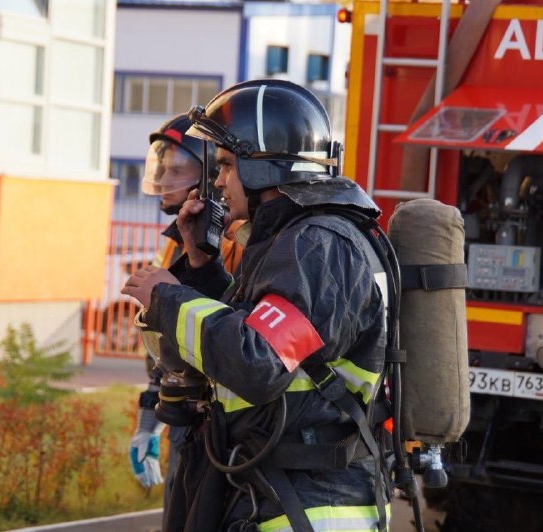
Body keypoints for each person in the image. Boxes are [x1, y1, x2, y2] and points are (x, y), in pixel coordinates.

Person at [122, 80, 394, 531]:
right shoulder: (291, 243)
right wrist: (200, 263)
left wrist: (168, 298)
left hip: (310, 507)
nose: (219, 181)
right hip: (277, 492)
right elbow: (240, 337)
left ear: (266, 167)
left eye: (227, 165)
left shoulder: (318, 246)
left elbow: (258, 361)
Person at [128, 113, 244, 510]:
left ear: (210, 172)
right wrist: (149, 419)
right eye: (162, 165)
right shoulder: (180, 241)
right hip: (185, 407)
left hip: (215, 418)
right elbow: (167, 346)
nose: (164, 177)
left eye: (178, 168)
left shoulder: (229, 243)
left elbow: (225, 331)